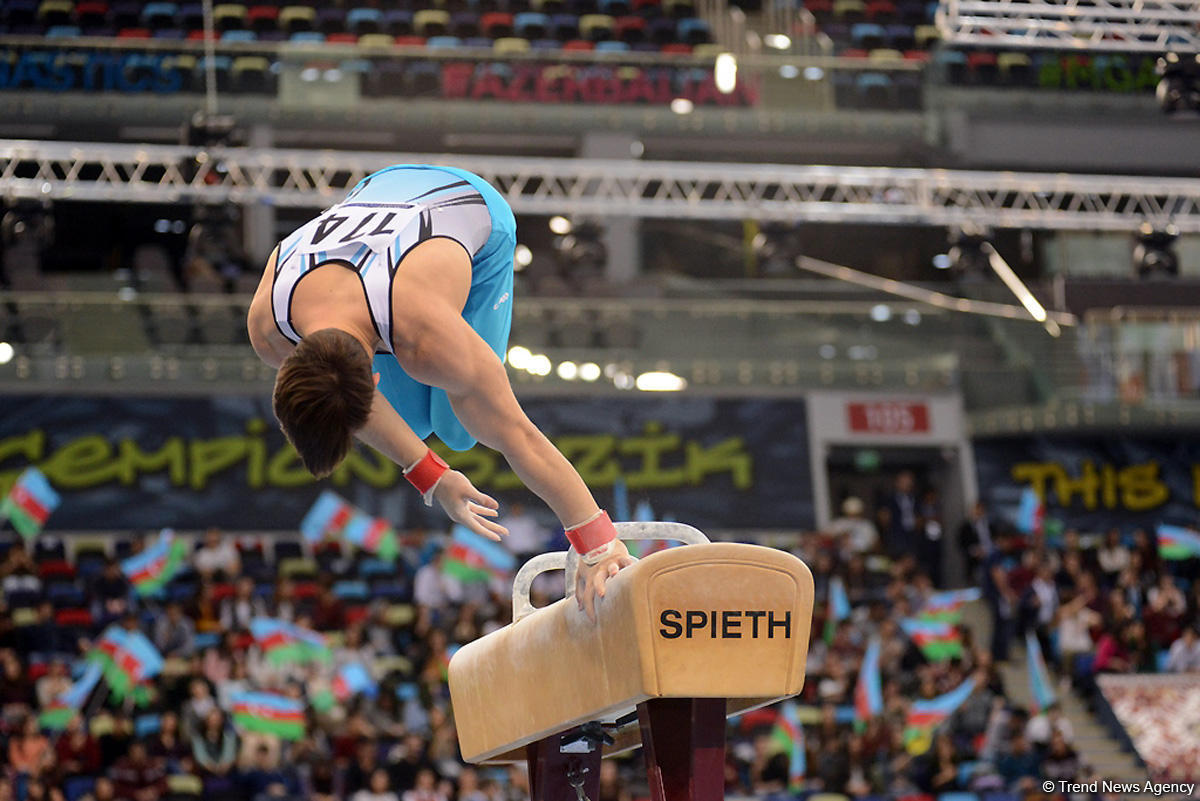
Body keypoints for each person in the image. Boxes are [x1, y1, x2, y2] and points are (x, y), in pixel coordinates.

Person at [247, 165, 633, 617]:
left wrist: (596, 543)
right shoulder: (268, 327)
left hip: (473, 208)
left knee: (459, 429)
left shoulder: (429, 339)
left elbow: (517, 434)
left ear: (372, 382)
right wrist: (432, 477)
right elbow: (341, 388)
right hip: (379, 189)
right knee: (415, 429)